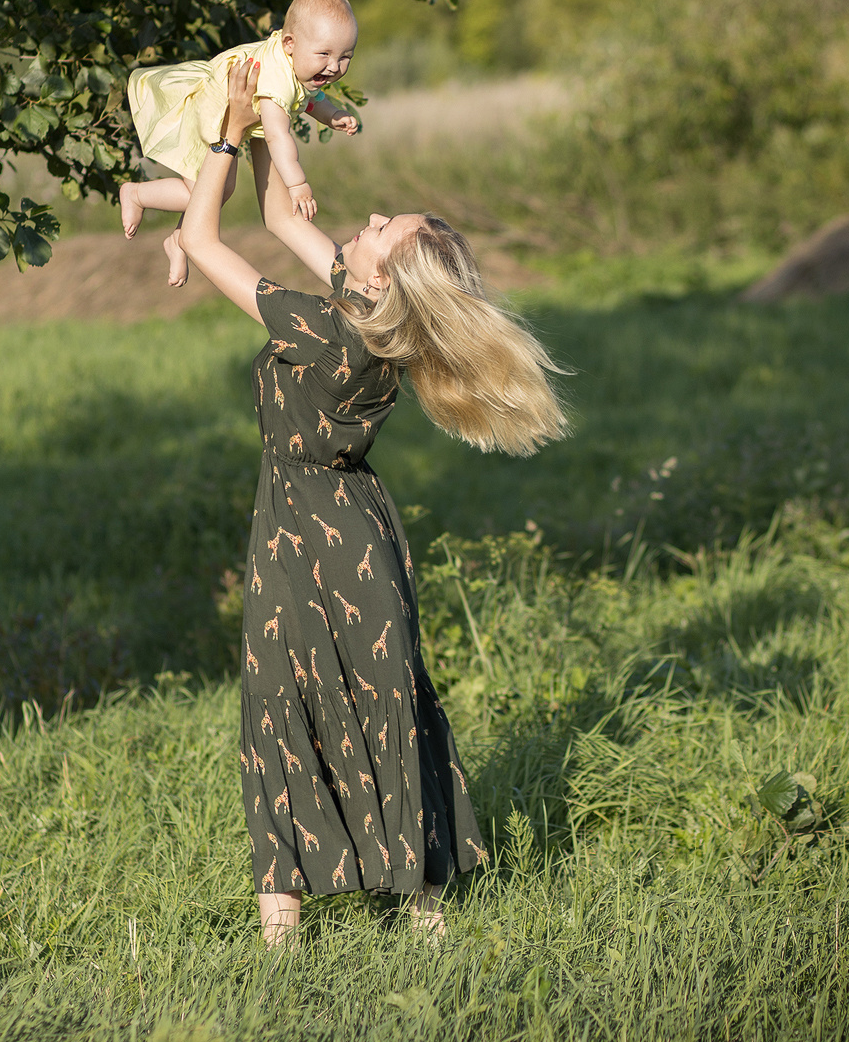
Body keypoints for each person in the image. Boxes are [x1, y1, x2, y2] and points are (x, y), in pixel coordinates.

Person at [179, 54, 568, 947]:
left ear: (385, 273)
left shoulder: (326, 325)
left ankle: (295, 930)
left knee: (283, 704)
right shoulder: (369, 314)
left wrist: (221, 136)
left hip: (305, 534)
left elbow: (205, 241)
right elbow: (281, 213)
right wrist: (280, 110)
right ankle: (419, 910)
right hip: (352, 531)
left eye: (388, 227)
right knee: (376, 699)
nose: (376, 215)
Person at [118, 0, 361, 288]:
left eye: (345, 57)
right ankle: (137, 194)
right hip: (211, 116)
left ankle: (180, 240)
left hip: (227, 117)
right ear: (289, 43)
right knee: (211, 192)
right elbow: (277, 137)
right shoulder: (276, 82)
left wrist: (333, 115)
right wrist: (297, 184)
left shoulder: (299, 64)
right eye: (325, 54)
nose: (334, 67)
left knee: (214, 192)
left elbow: (312, 99)